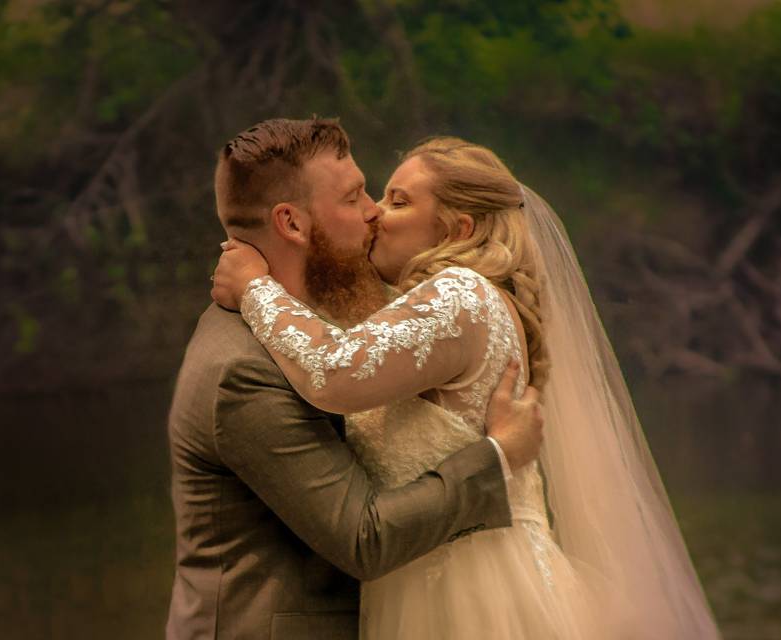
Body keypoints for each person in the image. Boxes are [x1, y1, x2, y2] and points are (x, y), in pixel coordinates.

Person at [213, 136, 721, 638]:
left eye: (399, 201)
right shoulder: (451, 305)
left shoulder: (461, 295)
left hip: (475, 596)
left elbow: (334, 372)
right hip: (439, 581)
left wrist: (255, 286)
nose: (376, 214)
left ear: (459, 227)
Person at [166, 119, 546, 640]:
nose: (372, 211)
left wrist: (255, 288)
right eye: (355, 198)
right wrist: (497, 458)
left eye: (389, 198)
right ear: (292, 225)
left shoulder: (360, 319)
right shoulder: (242, 367)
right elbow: (363, 537)